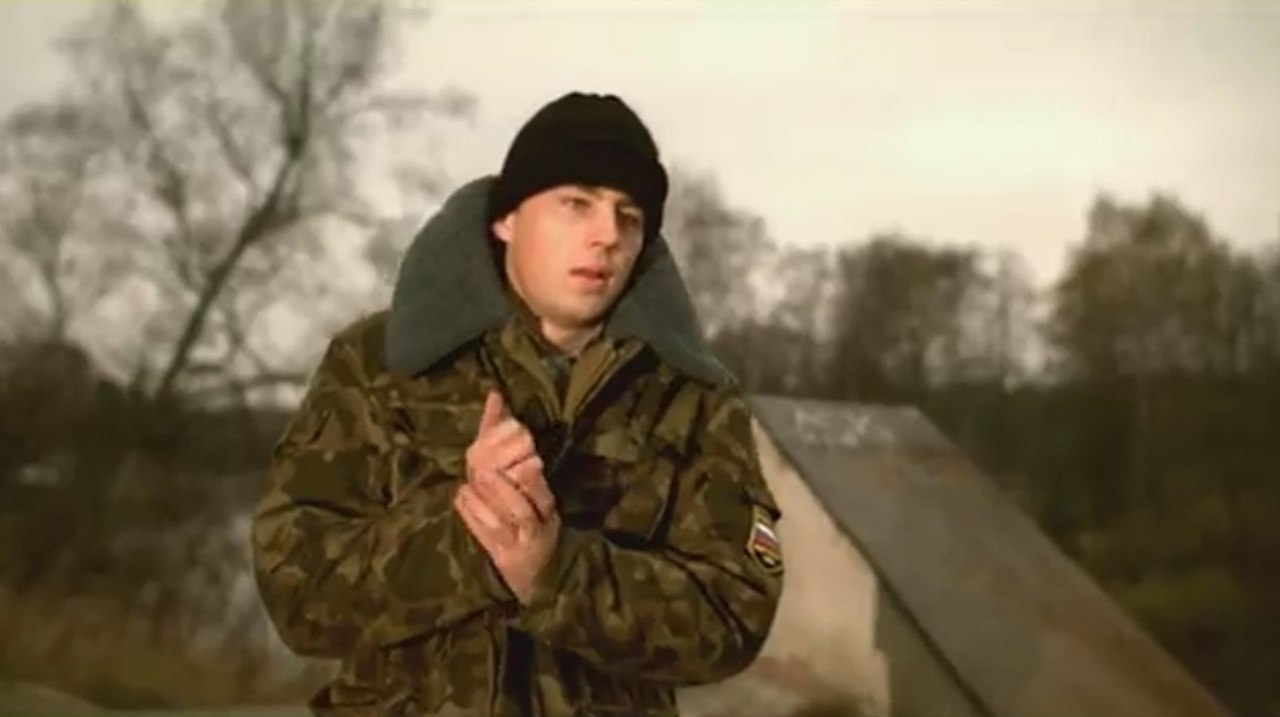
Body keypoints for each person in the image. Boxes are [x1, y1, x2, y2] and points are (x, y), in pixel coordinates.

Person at [251, 91, 785, 717]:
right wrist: (468, 537)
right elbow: (298, 593)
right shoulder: (380, 362)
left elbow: (733, 616)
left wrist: (554, 570)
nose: (607, 236)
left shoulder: (692, 395)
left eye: (629, 215)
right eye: (577, 203)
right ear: (507, 219)